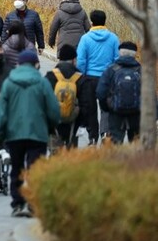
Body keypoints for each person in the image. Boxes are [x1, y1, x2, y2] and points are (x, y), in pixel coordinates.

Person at [0, 50, 60, 218]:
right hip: (38, 132)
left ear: (19, 65)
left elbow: (1, 109)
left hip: (14, 133)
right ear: (36, 64)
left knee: (16, 168)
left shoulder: (9, 83)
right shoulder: (42, 82)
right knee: (35, 168)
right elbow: (53, 110)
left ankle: (17, 203)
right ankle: (32, 202)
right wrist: (52, 125)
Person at [76, 10, 119, 144]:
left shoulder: (85, 38)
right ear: (105, 21)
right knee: (106, 107)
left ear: (91, 22)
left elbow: (81, 60)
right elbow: (117, 59)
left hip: (89, 78)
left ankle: (93, 138)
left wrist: (81, 76)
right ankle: (105, 132)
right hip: (107, 78)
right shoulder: (113, 38)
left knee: (90, 109)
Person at [44, 45, 96, 148]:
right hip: (73, 122)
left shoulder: (50, 76)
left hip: (54, 122)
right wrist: (84, 124)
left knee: (55, 151)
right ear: (74, 60)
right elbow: (88, 104)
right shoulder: (80, 78)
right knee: (70, 151)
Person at [96, 42, 141, 144]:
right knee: (136, 143)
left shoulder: (111, 70)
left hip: (115, 113)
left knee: (115, 143)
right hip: (136, 113)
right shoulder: (140, 70)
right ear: (135, 54)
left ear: (120, 53)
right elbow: (150, 95)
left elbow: (100, 92)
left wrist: (107, 107)